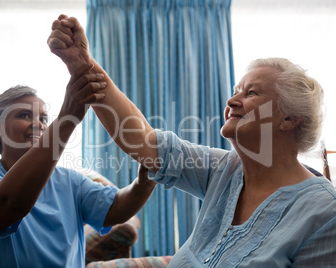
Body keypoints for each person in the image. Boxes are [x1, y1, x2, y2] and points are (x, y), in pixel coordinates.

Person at [48, 15, 336, 267]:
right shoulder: (224, 169)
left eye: (251, 93)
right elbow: (143, 141)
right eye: (236, 90)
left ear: (289, 119)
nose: (231, 100)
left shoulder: (324, 213)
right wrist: (80, 63)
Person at [0, 64, 157, 267]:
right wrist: (67, 119)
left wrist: (144, 181)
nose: (39, 124)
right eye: (24, 115)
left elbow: (115, 208)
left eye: (43, 118)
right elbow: (8, 207)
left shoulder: (70, 180)